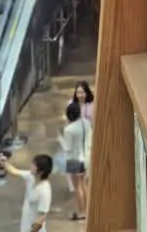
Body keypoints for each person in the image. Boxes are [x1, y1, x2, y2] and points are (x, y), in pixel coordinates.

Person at [60, 85, 93, 221]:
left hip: (74, 159)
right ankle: (87, 209)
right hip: (85, 156)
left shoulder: (69, 129)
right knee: (84, 185)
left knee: (77, 187)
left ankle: (81, 212)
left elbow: (67, 147)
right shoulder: (86, 123)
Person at [0, 152, 53, 232]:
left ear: (41, 171)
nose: (31, 166)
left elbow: (41, 218)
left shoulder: (44, 191)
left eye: (34, 165)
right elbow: (14, 171)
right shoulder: (31, 176)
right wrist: (4, 163)